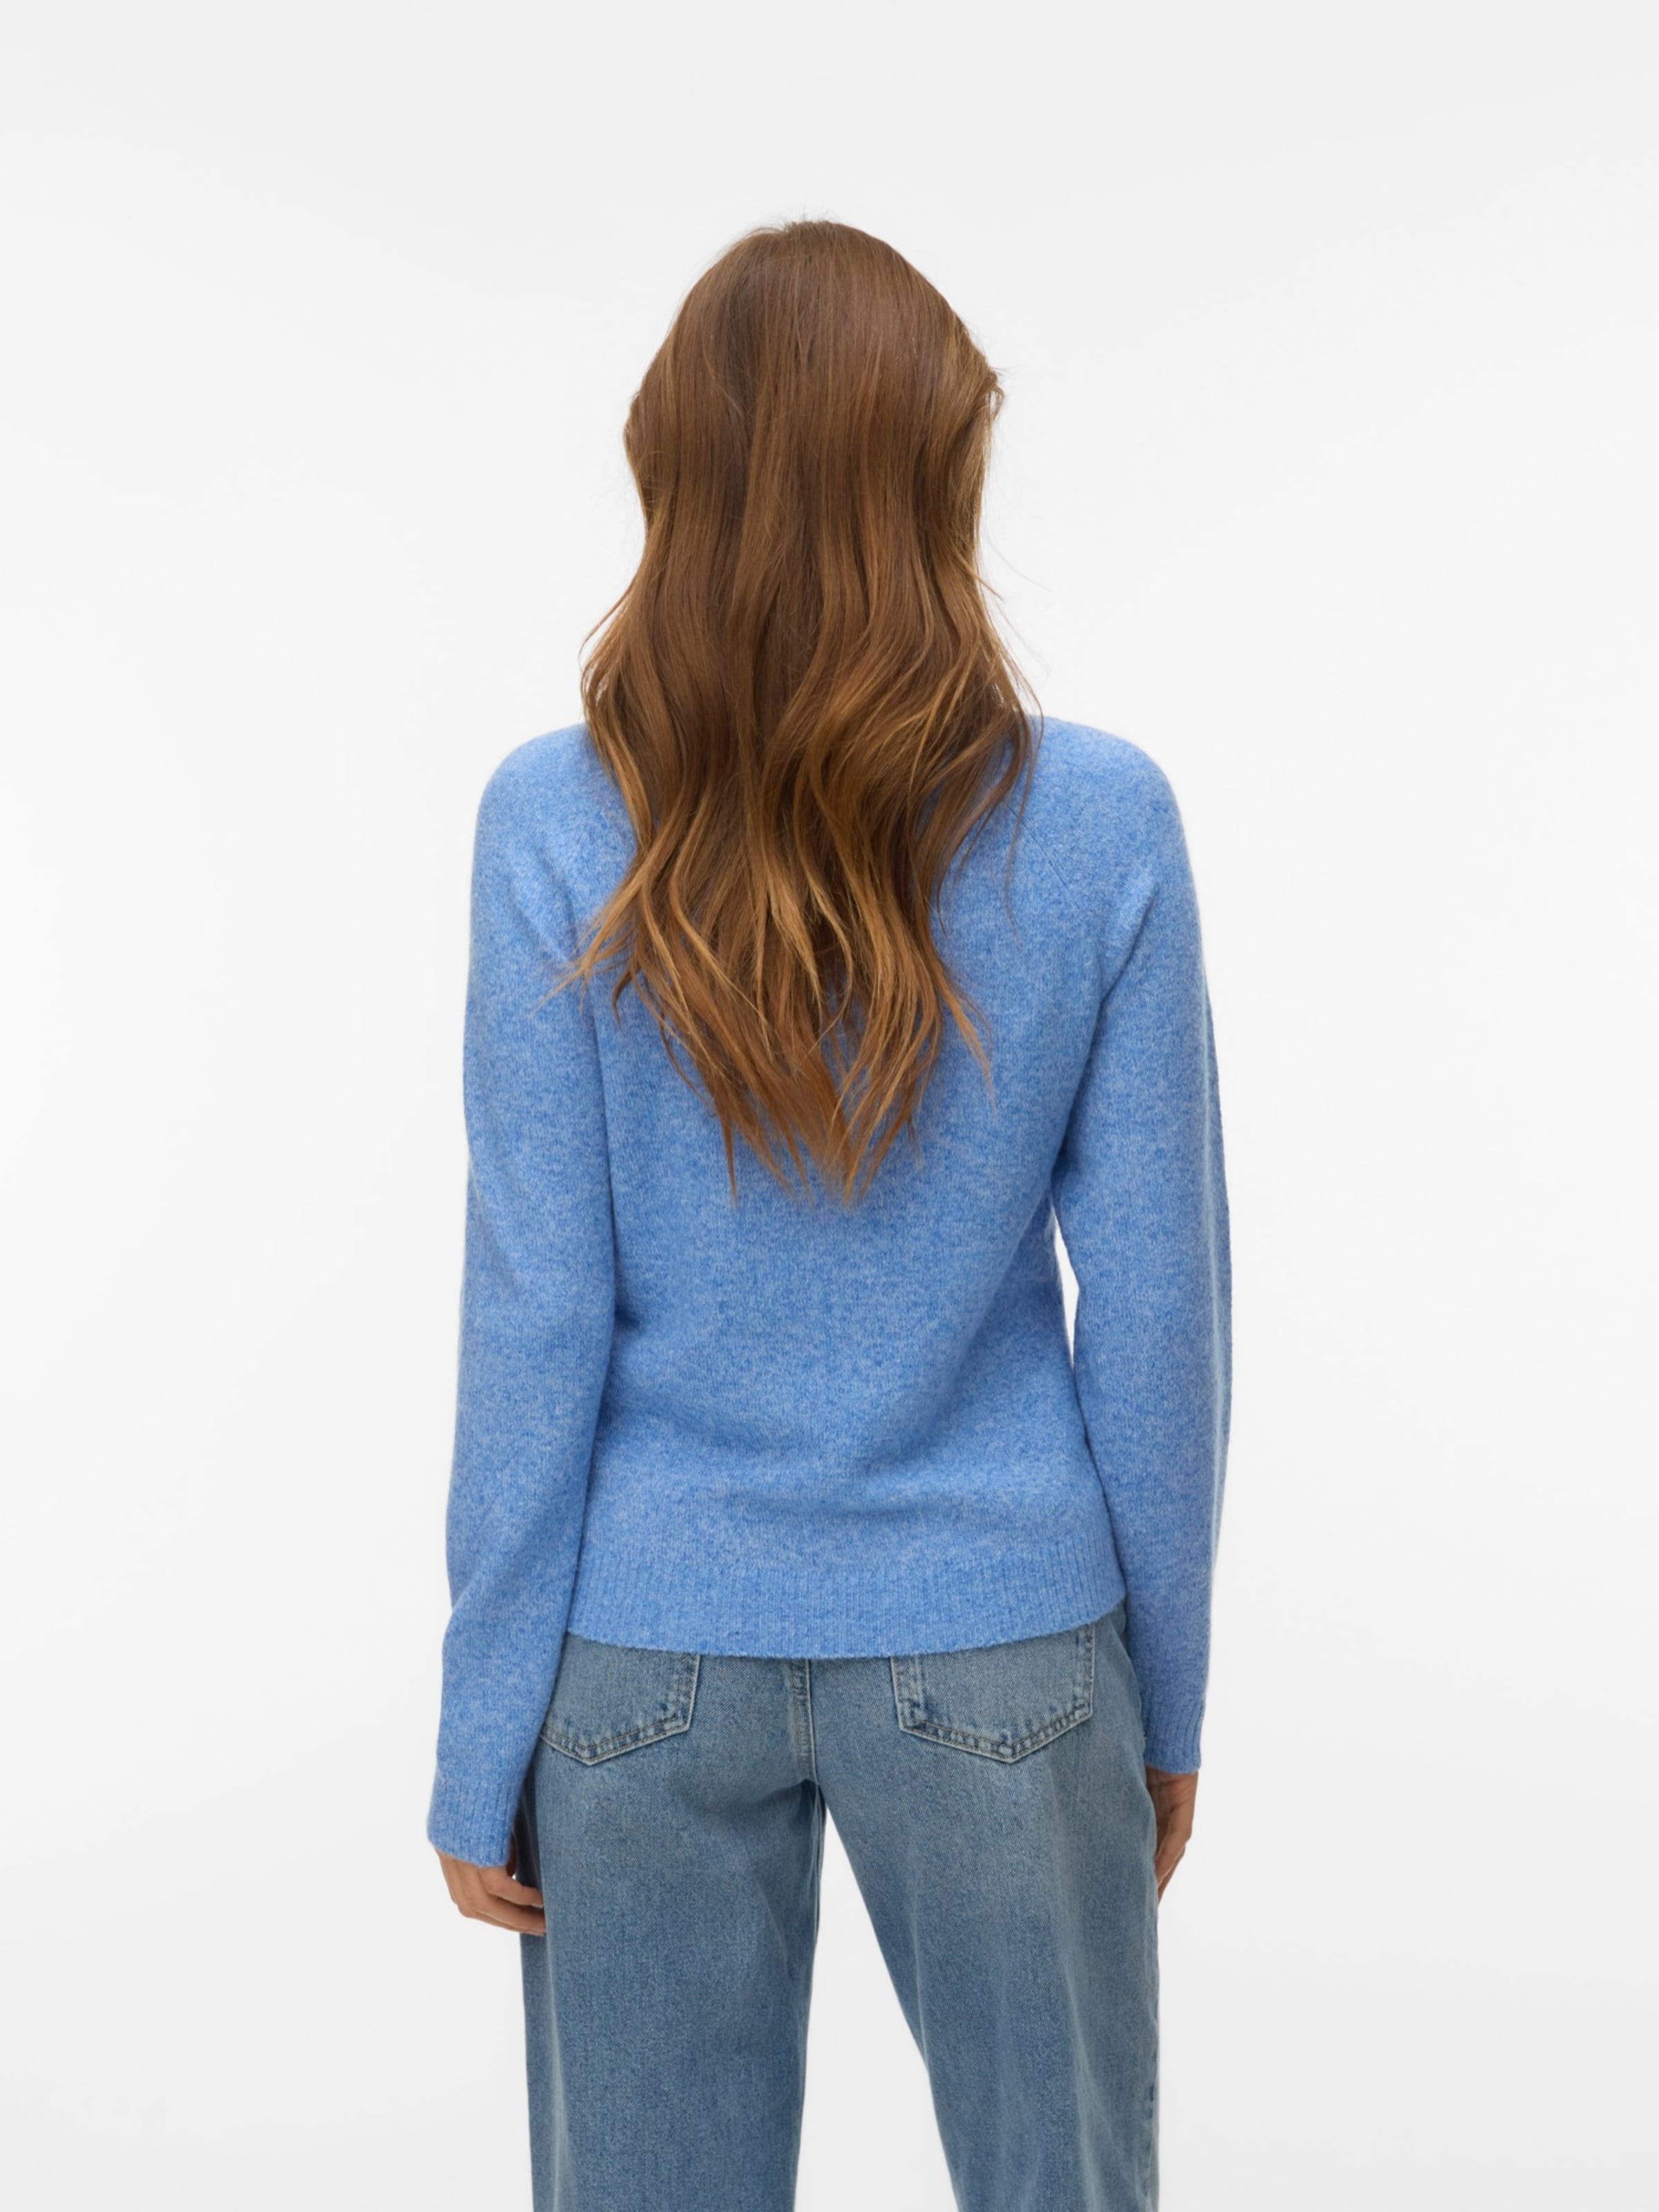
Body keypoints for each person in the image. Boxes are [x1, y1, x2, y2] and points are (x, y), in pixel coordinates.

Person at [427, 218, 1232, 2212]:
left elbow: (535, 1311)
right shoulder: (1100, 822)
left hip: (639, 1652)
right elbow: (1158, 1319)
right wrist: (1162, 1699)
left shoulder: (556, 817)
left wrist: (484, 1725)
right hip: (1008, 1638)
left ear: (672, 476)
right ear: (941, 478)